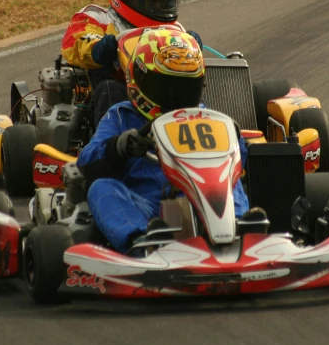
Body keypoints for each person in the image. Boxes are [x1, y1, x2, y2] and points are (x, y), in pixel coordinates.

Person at [76, 27, 266, 254]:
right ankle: (142, 242)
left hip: (204, 196)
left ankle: (240, 228)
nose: (177, 96)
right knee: (101, 188)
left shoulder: (204, 116)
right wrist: (119, 147)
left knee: (228, 178)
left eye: (187, 87)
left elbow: (238, 161)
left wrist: (234, 144)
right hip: (147, 206)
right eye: (168, 87)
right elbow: (86, 161)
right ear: (140, 80)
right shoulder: (121, 115)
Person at [60, 0, 202, 126]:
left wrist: (191, 46)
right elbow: (73, 44)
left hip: (164, 95)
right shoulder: (97, 18)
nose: (159, 5)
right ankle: (109, 145)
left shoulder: (173, 30)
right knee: (109, 88)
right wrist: (99, 48)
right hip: (119, 93)